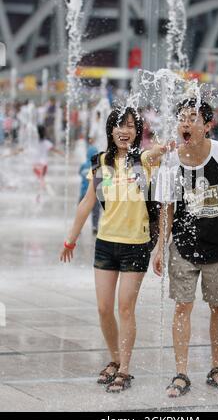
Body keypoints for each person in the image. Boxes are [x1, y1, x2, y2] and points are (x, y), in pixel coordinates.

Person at [60, 107, 172, 393]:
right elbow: (87, 203)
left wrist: (162, 147)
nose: (125, 131)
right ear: (110, 130)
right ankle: (114, 358)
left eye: (131, 126)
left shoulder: (143, 160)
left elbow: (153, 153)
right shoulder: (100, 163)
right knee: (102, 308)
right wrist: (70, 240)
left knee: (125, 308)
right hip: (106, 243)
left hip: (135, 245)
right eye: (119, 125)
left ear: (137, 132)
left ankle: (125, 368)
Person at [153, 98, 218, 397]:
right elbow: (166, 207)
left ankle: (216, 367)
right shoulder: (170, 162)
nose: (185, 123)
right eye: (182, 117)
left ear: (207, 126)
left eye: (193, 118)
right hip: (183, 247)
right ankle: (181, 372)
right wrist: (160, 245)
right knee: (182, 306)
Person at [32, 125, 63, 201]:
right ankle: (41, 193)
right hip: (44, 165)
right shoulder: (46, 143)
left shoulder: (34, 142)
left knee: (40, 179)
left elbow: (24, 148)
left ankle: (41, 194)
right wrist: (63, 154)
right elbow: (54, 149)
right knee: (41, 179)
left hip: (36, 165)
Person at [79, 141, 101, 234]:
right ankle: (94, 226)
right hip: (95, 194)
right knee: (95, 212)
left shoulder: (83, 165)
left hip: (83, 193)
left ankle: (79, 227)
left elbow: (79, 173)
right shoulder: (98, 166)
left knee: (81, 211)